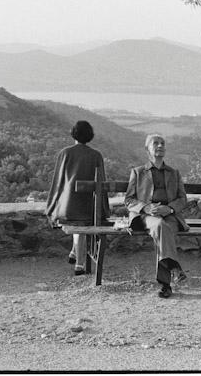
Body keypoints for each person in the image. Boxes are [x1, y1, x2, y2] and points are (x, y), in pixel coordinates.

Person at [125, 134, 190, 298]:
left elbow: (182, 199)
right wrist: (147, 208)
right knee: (161, 227)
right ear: (147, 149)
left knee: (165, 230)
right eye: (155, 143)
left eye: (162, 143)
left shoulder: (174, 173)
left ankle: (166, 284)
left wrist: (170, 209)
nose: (160, 146)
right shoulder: (138, 172)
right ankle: (173, 270)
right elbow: (129, 200)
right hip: (147, 216)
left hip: (170, 215)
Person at [45, 120, 110, 275]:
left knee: (77, 222)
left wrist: (51, 208)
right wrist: (104, 210)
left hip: (68, 208)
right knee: (81, 221)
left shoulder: (65, 153)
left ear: (73, 134)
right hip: (90, 208)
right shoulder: (96, 155)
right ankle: (75, 255)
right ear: (90, 135)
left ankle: (79, 265)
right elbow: (102, 184)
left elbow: (58, 182)